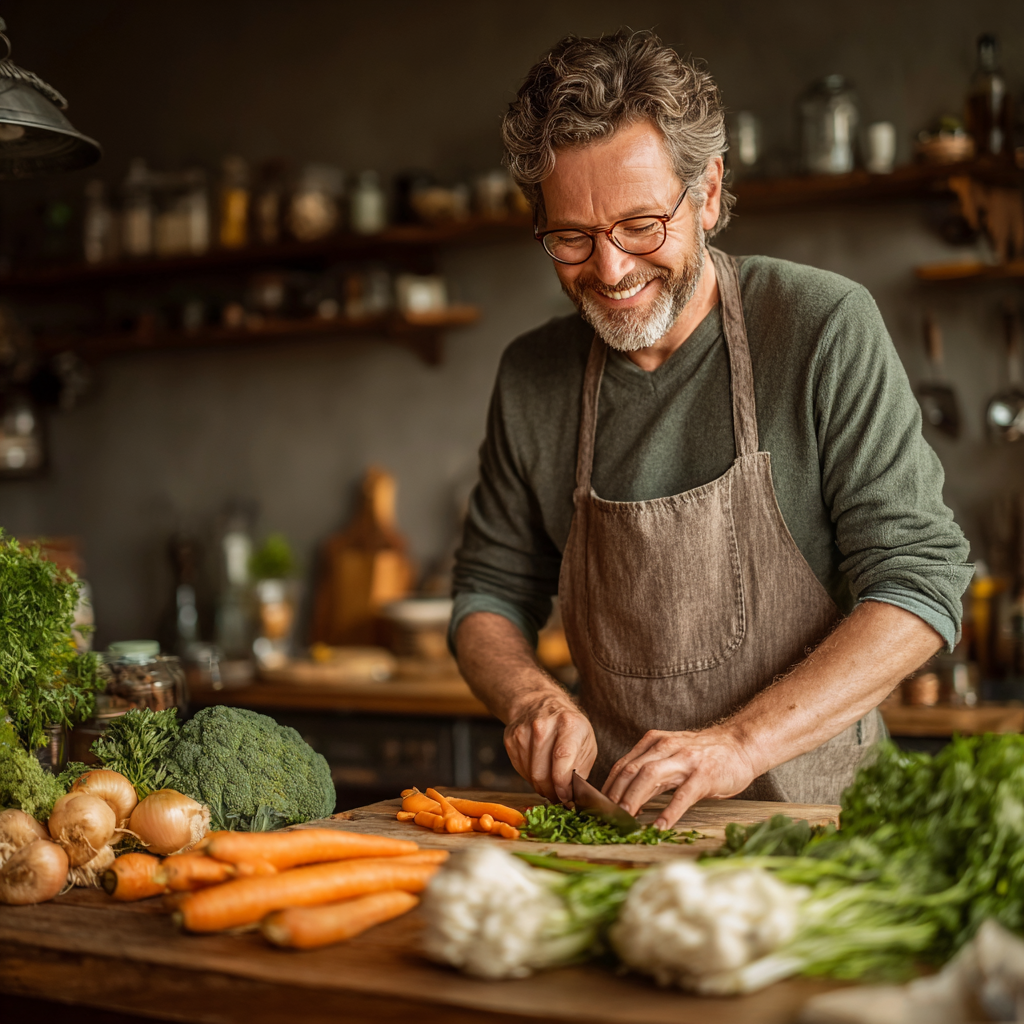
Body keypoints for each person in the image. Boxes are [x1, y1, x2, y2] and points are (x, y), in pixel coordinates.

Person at [451, 30, 972, 828]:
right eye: (572, 238)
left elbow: (918, 582)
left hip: (821, 832)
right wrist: (528, 697)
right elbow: (487, 592)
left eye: (642, 225)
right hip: (620, 833)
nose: (611, 269)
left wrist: (740, 742)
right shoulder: (532, 376)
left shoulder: (822, 326)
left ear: (709, 191)